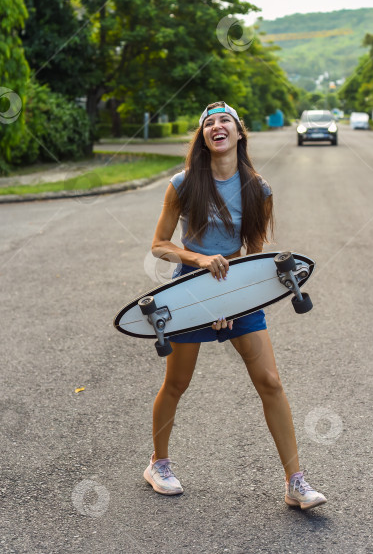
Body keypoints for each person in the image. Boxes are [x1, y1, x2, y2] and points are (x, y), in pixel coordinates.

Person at [143, 101, 326, 510]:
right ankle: (158, 463)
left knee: (271, 383)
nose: (217, 126)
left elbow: (255, 255)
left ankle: (296, 482)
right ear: (204, 137)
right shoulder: (183, 184)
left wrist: (233, 299)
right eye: (209, 123)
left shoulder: (258, 189)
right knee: (177, 383)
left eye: (225, 120)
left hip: (236, 293)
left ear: (239, 134)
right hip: (188, 292)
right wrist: (201, 261)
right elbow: (159, 246)